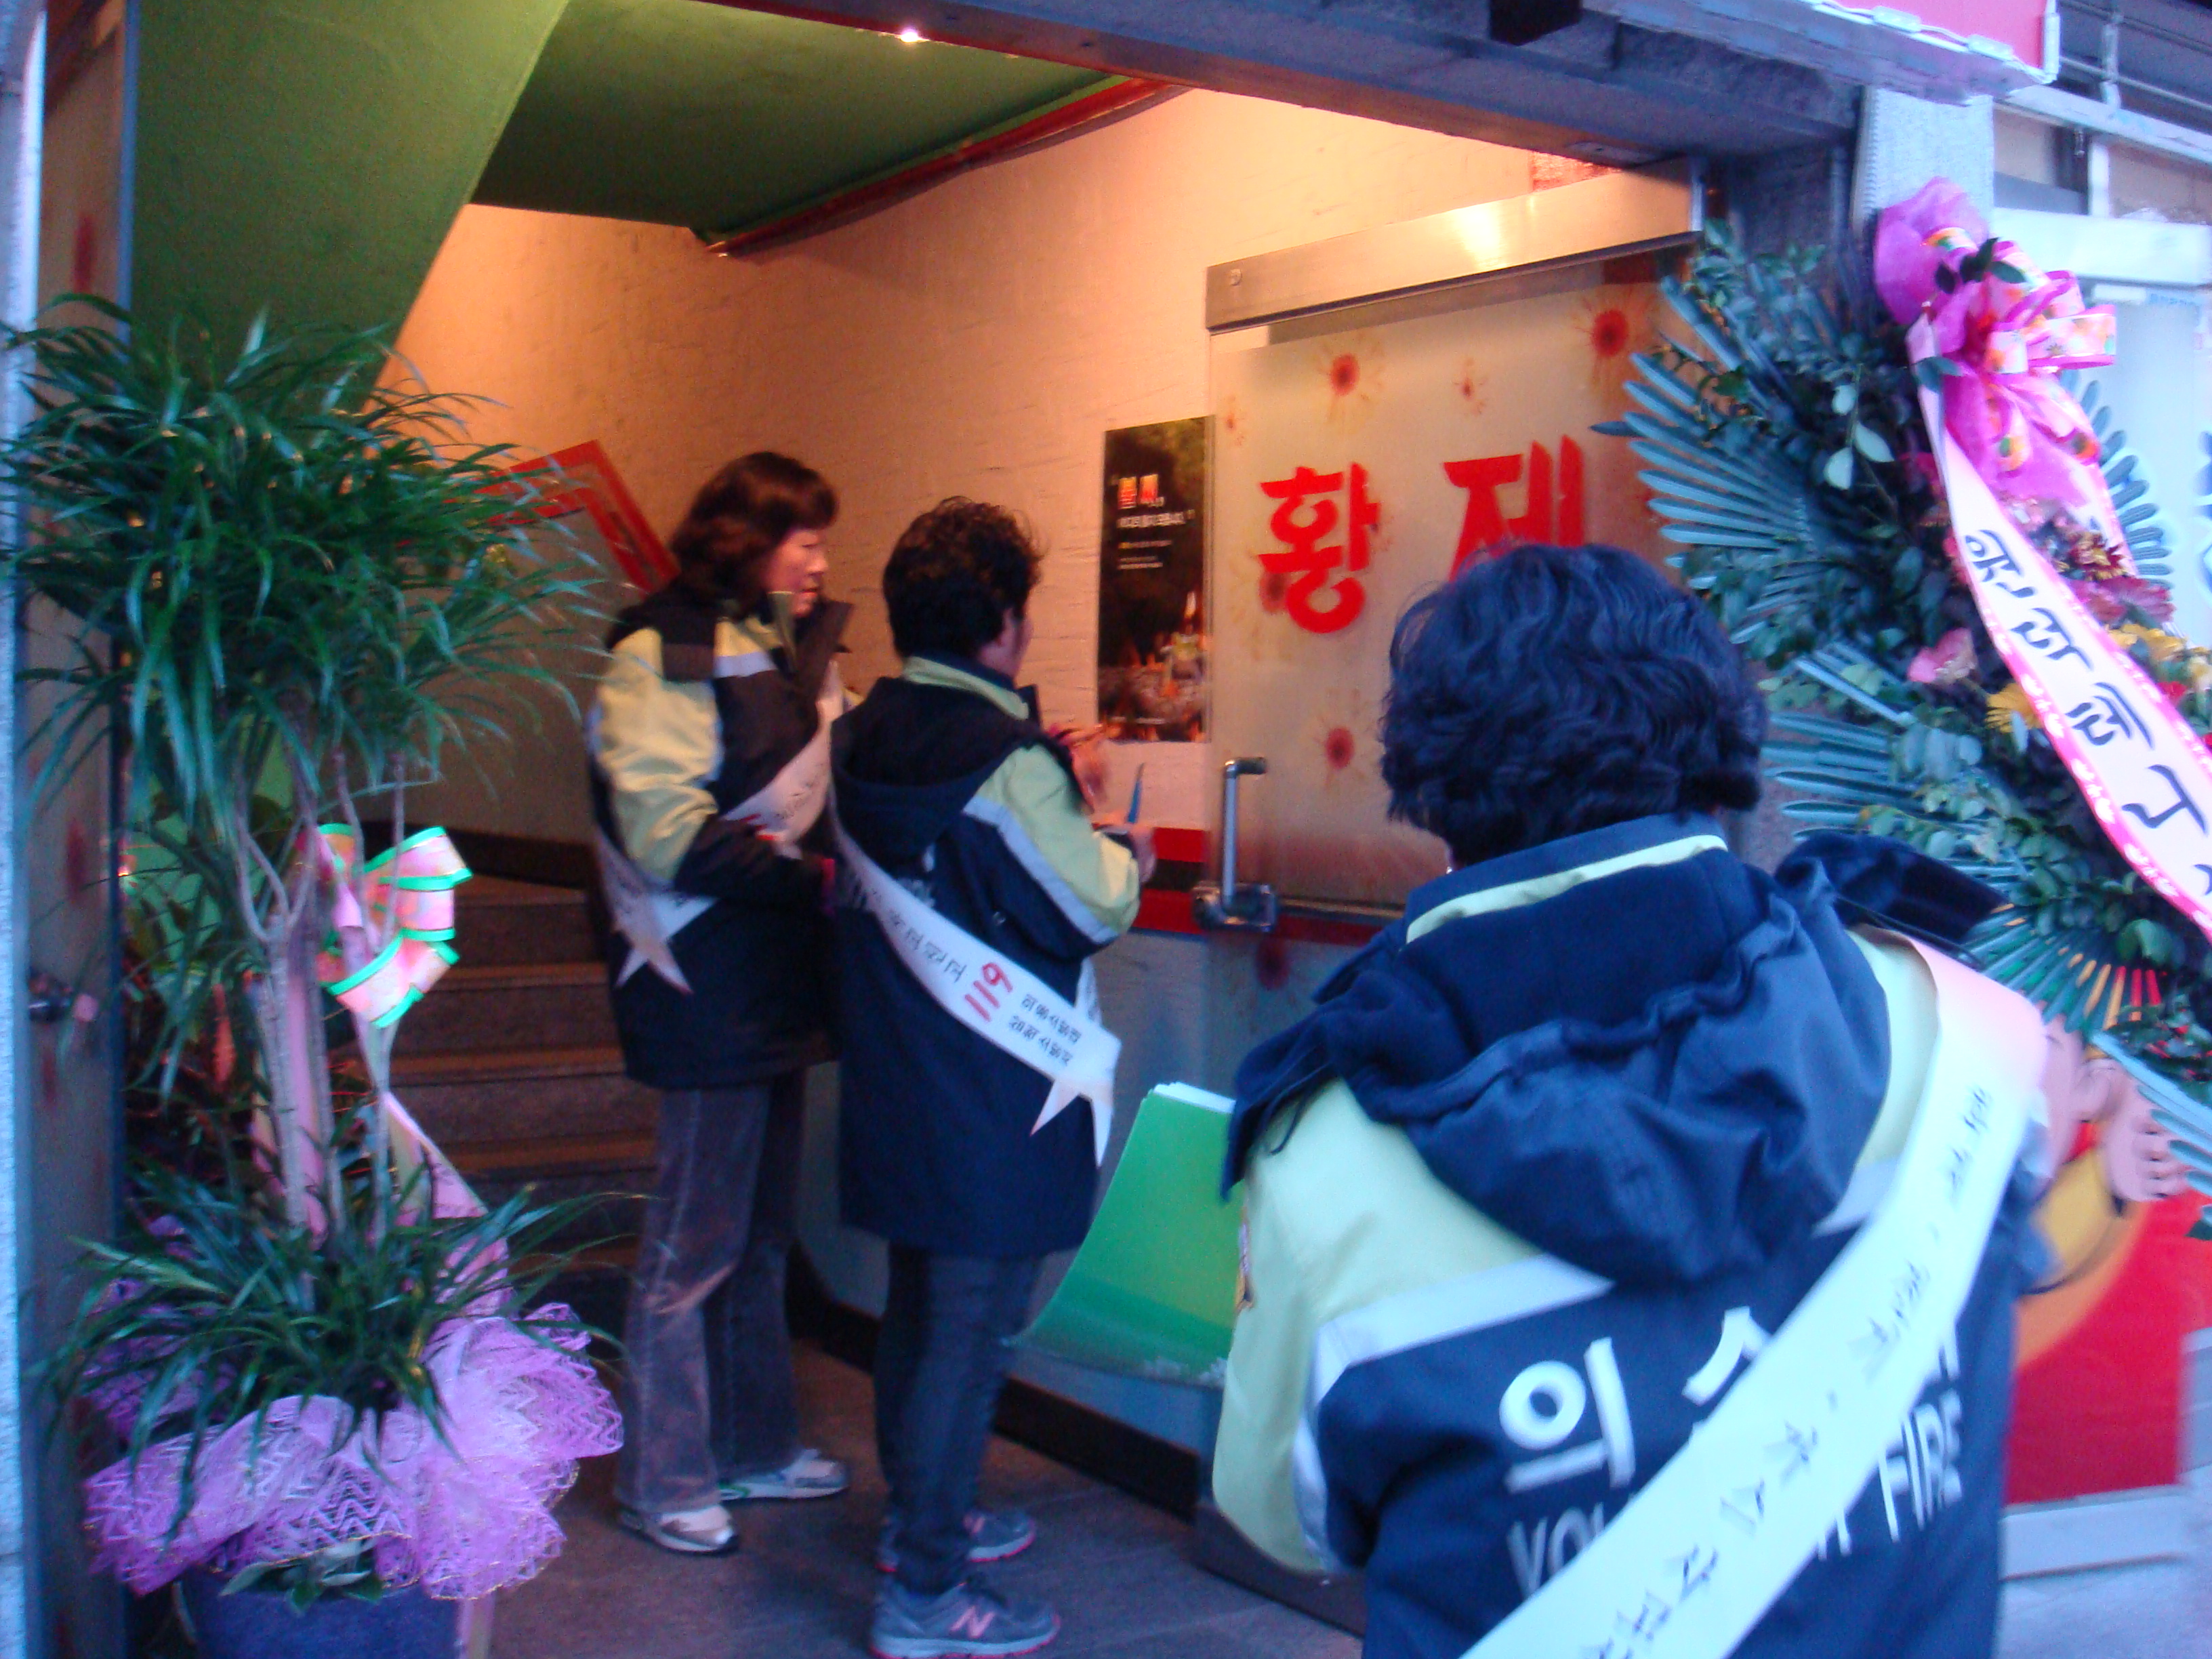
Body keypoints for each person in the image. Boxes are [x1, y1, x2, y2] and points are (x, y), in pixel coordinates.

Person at [1210, 544, 2102, 1658]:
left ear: (1429, 776)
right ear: (1717, 739)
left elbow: (1284, 1518)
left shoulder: (1329, 1158)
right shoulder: (1952, 1026)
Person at [832, 499, 1155, 1658]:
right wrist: (1108, 820)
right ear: (1005, 623)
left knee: (921, 1313)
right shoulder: (1009, 762)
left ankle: (922, 1523)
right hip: (994, 1096)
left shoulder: (856, 736)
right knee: (968, 1343)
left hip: (896, 1078)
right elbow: (1093, 905)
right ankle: (926, 1596)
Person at [590, 452, 853, 1555]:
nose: (823, 563)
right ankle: (663, 1480)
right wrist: (808, 878)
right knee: (692, 1246)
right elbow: (664, 832)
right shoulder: (662, 651)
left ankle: (752, 1447)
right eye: (808, 542)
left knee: (762, 1237)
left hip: (774, 980)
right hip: (702, 985)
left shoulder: (789, 652)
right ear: (752, 541)